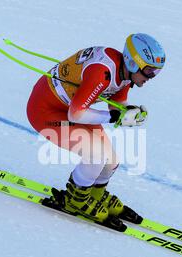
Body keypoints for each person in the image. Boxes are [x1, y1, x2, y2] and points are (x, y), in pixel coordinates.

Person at [27, 33, 166, 227]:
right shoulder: (103, 73)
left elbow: (117, 102)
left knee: (111, 160)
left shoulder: (125, 73)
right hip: (46, 111)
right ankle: (75, 200)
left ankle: (95, 194)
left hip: (68, 108)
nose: (152, 77)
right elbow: (76, 114)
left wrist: (127, 114)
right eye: (150, 71)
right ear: (133, 63)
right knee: (96, 156)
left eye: (157, 72)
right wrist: (114, 117)